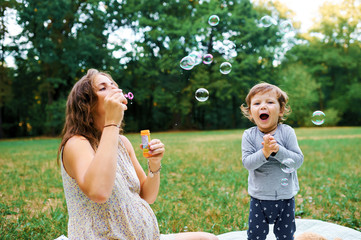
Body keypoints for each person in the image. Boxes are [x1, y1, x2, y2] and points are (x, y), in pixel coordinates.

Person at [57, 69, 218, 240]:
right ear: (86, 106)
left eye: (114, 85)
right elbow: (99, 192)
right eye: (103, 88)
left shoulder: (122, 143)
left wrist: (154, 164)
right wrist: (112, 123)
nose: (115, 89)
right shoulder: (77, 144)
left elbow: (148, 195)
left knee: (209, 239)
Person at [240, 82, 304, 240]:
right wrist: (264, 152)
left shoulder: (287, 132)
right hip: (259, 198)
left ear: (281, 109)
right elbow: (248, 163)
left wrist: (277, 151)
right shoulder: (249, 135)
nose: (263, 106)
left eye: (269, 102)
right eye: (257, 103)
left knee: (285, 235)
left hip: (285, 197)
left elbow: (297, 161)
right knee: (255, 235)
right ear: (250, 112)